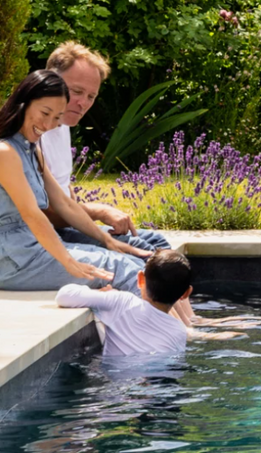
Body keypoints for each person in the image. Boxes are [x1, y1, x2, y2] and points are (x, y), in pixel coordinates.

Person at [0, 70, 150, 292]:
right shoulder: (5, 152)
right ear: (23, 103)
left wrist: (106, 240)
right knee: (123, 269)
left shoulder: (31, 149)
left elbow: (64, 203)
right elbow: (32, 215)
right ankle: (177, 327)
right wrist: (68, 261)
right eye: (45, 112)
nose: (49, 124)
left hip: (29, 248)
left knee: (133, 259)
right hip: (12, 260)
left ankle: (186, 324)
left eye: (57, 118)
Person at [39, 42, 170, 252]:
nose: (83, 103)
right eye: (77, 91)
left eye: (91, 96)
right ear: (50, 82)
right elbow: (45, 211)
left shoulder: (62, 124)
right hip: (44, 235)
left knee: (157, 241)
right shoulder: (33, 132)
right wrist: (98, 212)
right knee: (140, 251)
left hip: (66, 226)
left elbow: (63, 184)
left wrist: (86, 216)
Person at [55, 250, 193, 356]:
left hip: (117, 388)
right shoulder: (179, 331)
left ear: (140, 279)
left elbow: (64, 295)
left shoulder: (122, 302)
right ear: (186, 293)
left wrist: (103, 295)